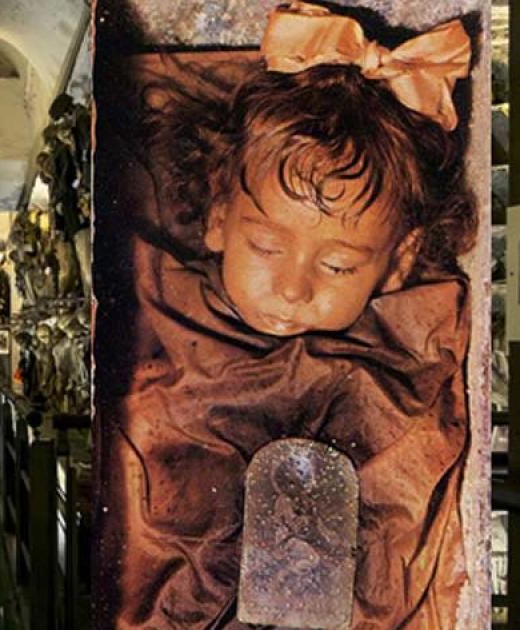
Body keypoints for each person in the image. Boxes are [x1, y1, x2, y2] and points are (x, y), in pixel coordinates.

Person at [99, 3, 476, 627]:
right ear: (219, 217)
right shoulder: (160, 307)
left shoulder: (406, 353)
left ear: (400, 260)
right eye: (267, 248)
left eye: (338, 267)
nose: (293, 287)